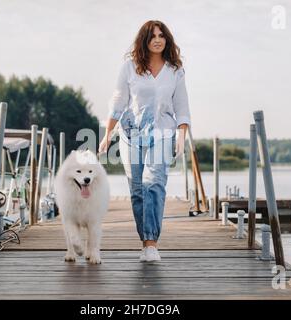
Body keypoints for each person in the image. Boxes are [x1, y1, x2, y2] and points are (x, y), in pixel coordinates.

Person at [98, 20, 191, 262]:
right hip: (131, 134)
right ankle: (144, 240)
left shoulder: (175, 70)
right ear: (145, 41)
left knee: (154, 183)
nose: (158, 40)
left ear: (167, 39)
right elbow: (118, 101)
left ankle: (151, 244)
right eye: (153, 36)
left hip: (163, 133)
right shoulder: (129, 67)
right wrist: (108, 133)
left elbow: (181, 105)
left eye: (162, 36)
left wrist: (181, 134)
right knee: (138, 190)